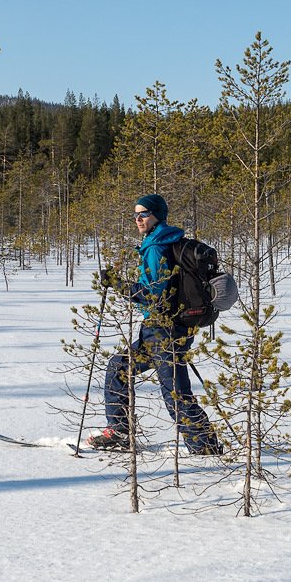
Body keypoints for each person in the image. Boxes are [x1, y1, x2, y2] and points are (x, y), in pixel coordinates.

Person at [89, 194, 222, 455]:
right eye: (136, 214)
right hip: (165, 329)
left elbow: (153, 294)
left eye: (144, 213)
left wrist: (117, 284)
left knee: (175, 393)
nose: (138, 219)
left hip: (165, 330)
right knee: (119, 366)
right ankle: (119, 431)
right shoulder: (165, 240)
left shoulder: (157, 246)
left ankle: (204, 447)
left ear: (158, 215)